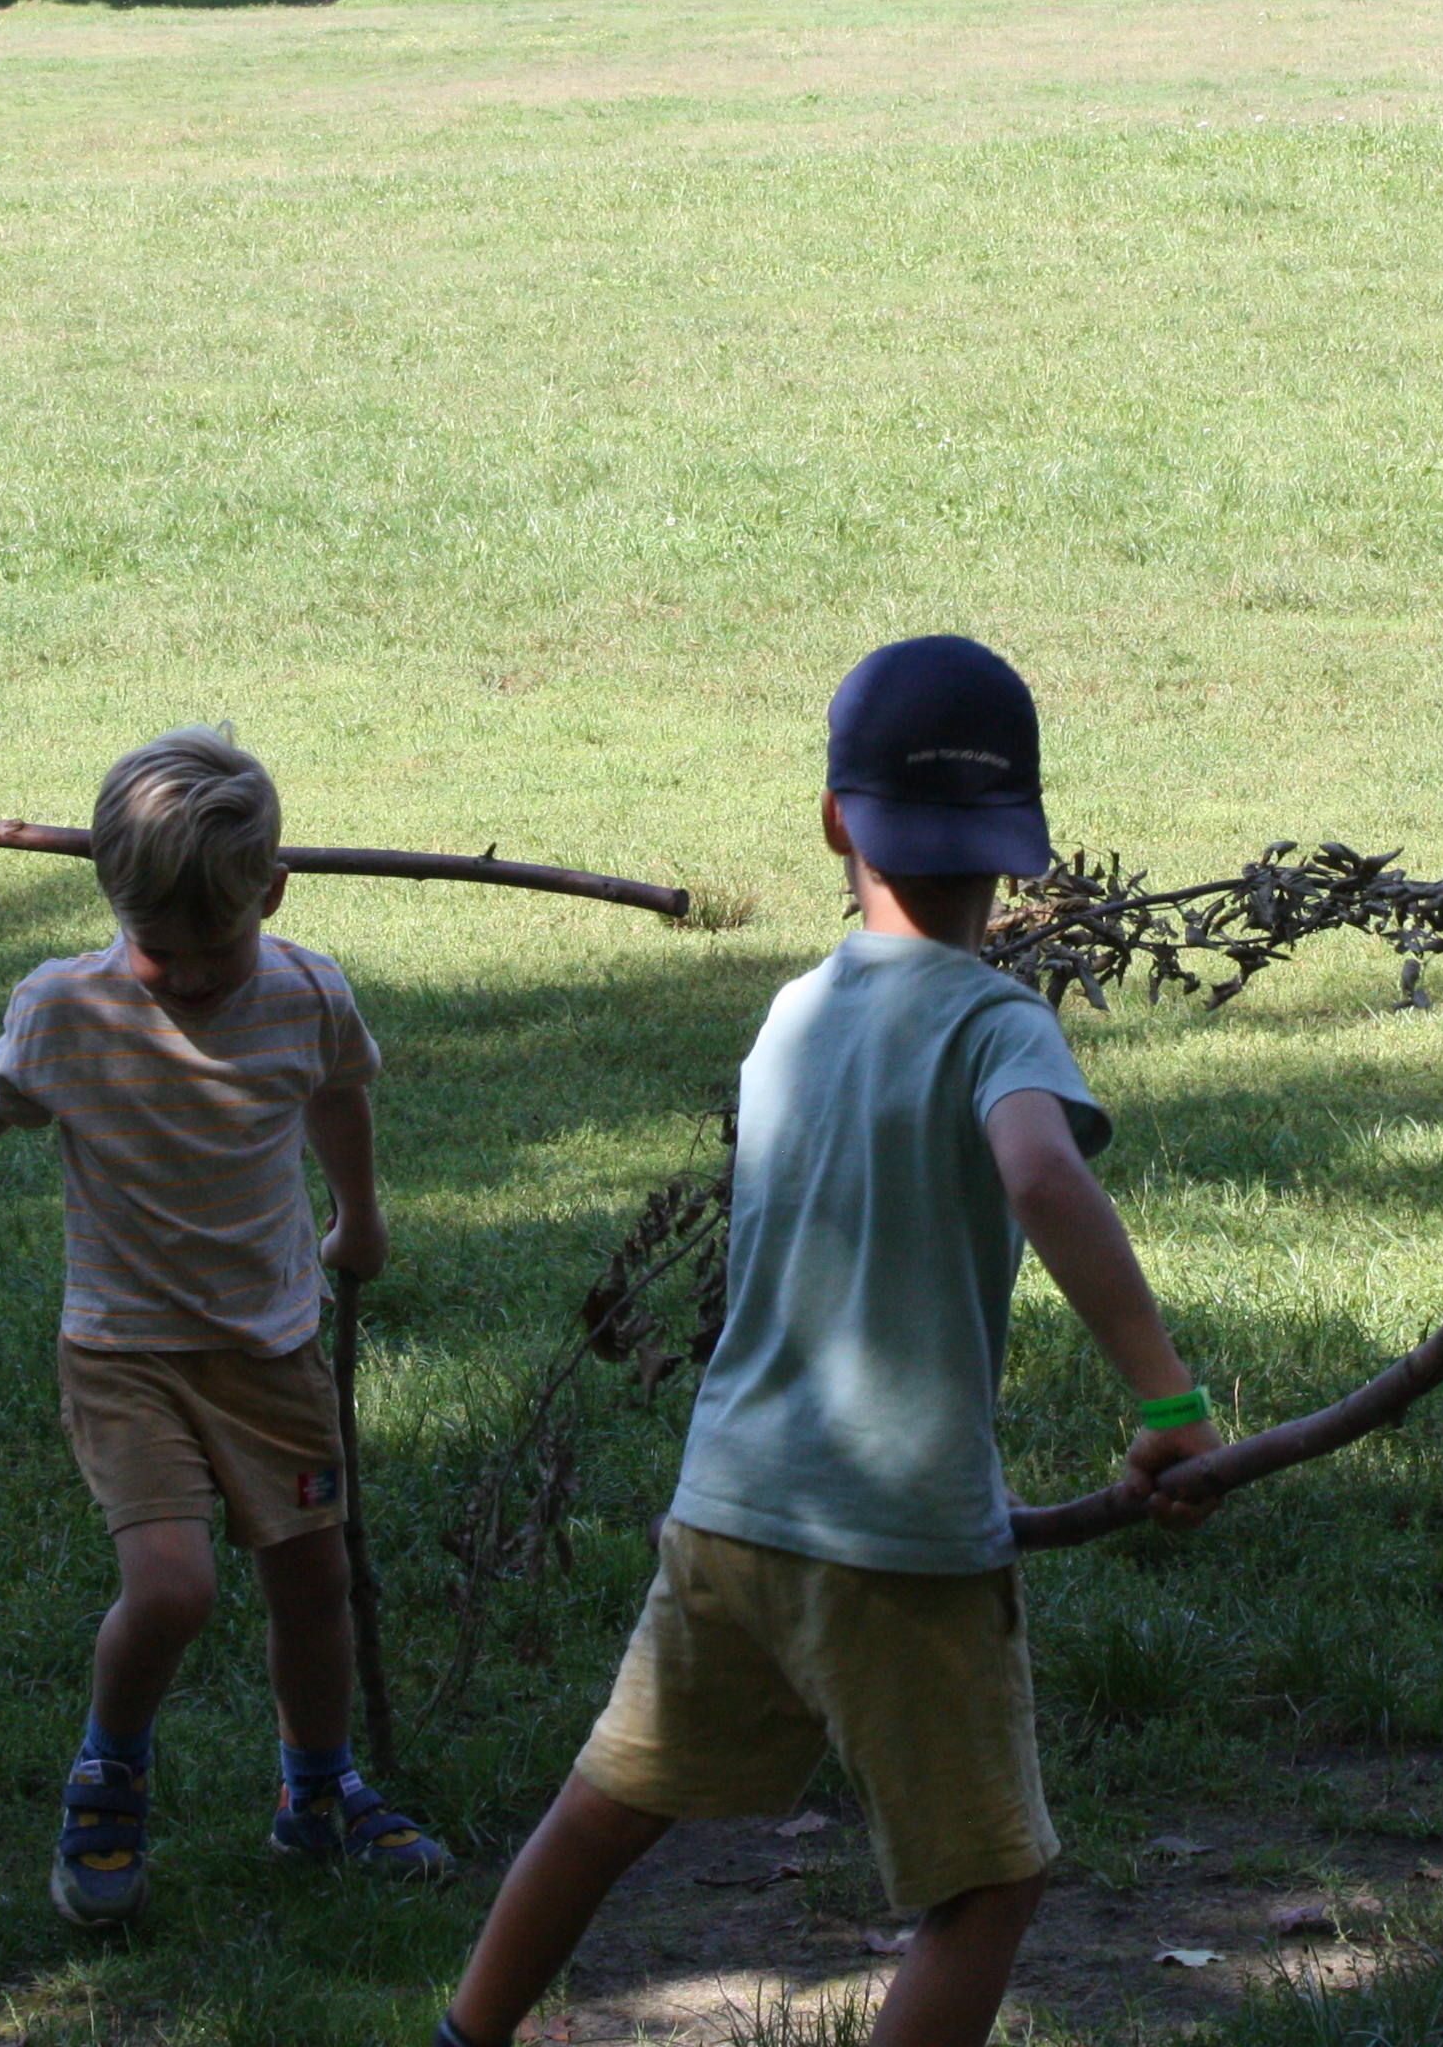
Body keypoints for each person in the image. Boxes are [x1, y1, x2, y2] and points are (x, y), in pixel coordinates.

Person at [430, 635, 1221, 2047]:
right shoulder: (998, 1024)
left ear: (835, 821)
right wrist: (1169, 1404)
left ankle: (464, 2035)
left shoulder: (790, 1017)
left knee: (611, 1803)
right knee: (989, 1885)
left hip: (731, 1505)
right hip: (896, 1543)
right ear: (1024, 849)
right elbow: (1042, 1174)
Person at [0, 729, 447, 1928]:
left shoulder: (307, 992)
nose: (186, 977)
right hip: (125, 1354)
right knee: (172, 1589)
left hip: (272, 1346)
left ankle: (316, 1793)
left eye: (215, 948)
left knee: (311, 1580)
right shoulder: (66, 1008)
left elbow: (337, 1094)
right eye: (159, 951)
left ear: (271, 895)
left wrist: (360, 1217)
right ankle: (107, 1777)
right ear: (110, 901)